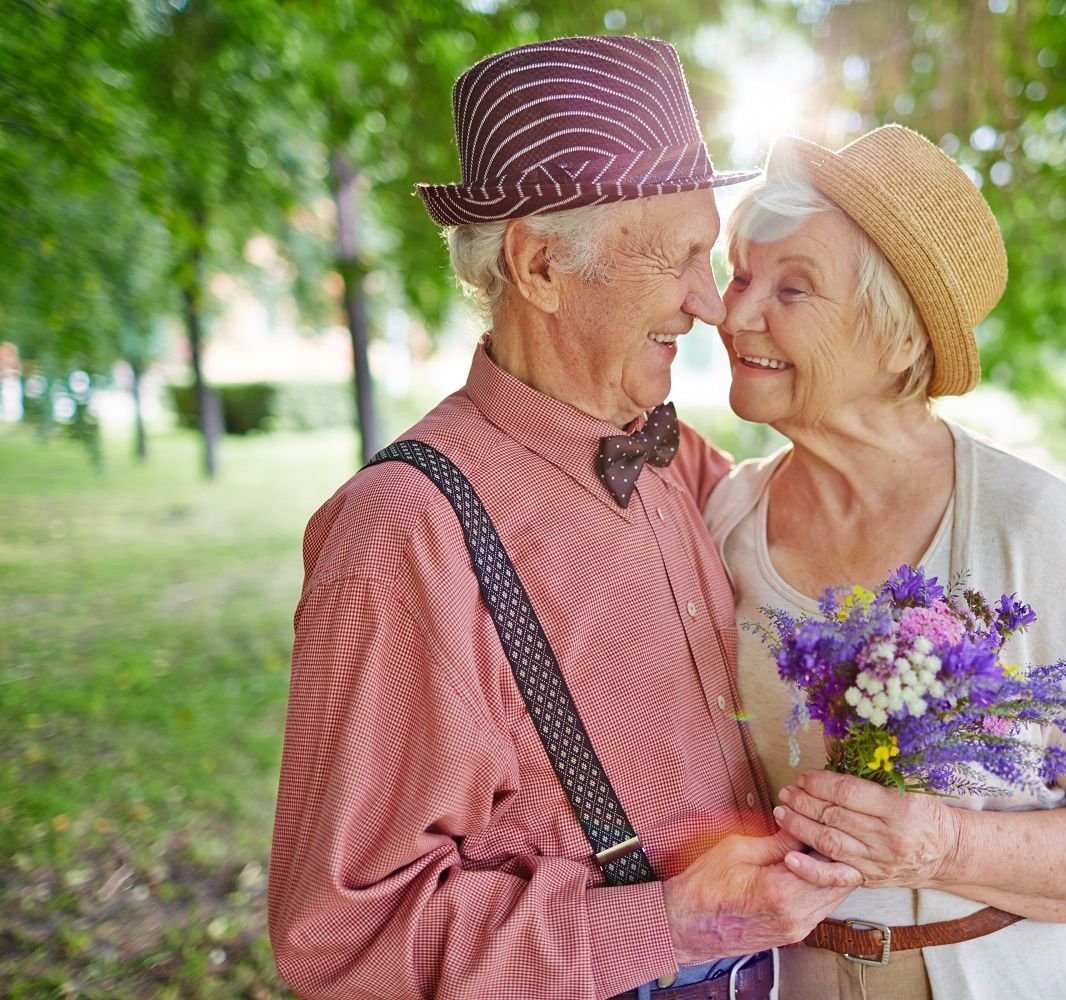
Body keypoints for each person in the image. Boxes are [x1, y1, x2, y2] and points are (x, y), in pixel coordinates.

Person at [267, 36, 866, 1000]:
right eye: (678, 257)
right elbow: (341, 942)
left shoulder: (673, 454)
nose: (712, 304)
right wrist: (663, 924)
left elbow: (823, 512)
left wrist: (989, 521)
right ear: (541, 265)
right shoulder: (402, 533)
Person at [702, 125, 1066, 999]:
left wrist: (945, 844)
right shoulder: (724, 518)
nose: (734, 312)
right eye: (742, 274)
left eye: (794, 289)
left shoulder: (1028, 525)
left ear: (900, 340)